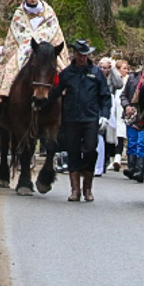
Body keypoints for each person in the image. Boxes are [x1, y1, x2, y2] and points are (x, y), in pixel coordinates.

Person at [0, 0, 69, 112]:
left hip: (45, 50)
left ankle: (66, 100)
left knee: (62, 70)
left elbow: (54, 32)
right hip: (23, 48)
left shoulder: (49, 13)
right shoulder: (19, 13)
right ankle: (2, 101)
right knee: (9, 69)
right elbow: (16, 34)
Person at [49, 39, 111, 202]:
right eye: (79, 54)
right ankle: (75, 189)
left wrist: (104, 115)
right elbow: (55, 92)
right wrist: (41, 102)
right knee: (73, 151)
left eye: (84, 54)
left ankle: (88, 188)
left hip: (91, 118)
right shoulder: (67, 73)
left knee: (90, 149)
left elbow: (105, 96)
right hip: (71, 118)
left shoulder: (96, 73)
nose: (82, 57)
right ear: (74, 54)